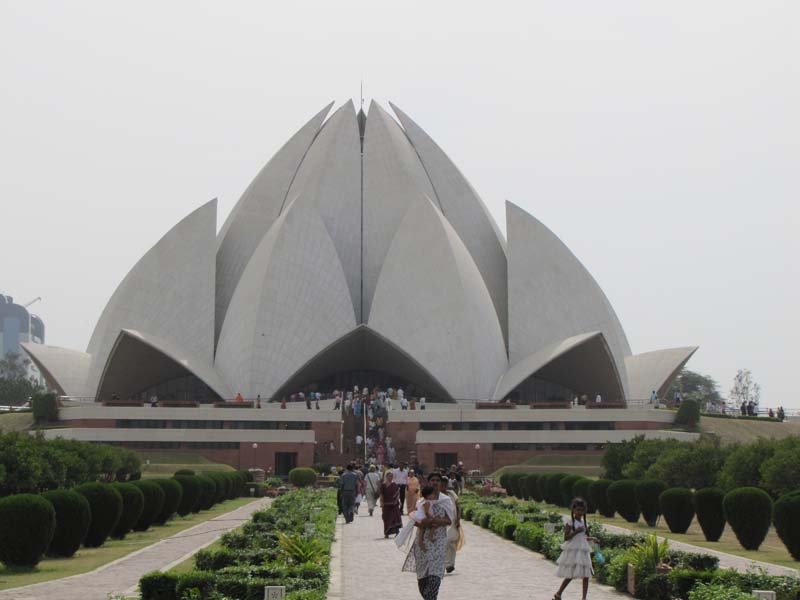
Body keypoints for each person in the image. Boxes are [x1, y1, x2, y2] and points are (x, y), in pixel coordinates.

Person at [402, 471, 455, 600]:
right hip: (422, 543)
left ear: (441, 483)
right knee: (422, 580)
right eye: (433, 480)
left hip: (438, 541)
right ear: (428, 482)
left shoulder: (445, 500)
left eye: (437, 480)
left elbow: (449, 521)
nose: (435, 483)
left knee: (435, 574)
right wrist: (424, 523)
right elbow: (416, 521)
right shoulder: (421, 502)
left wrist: (434, 521)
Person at [552, 498, 597, 600]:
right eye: (578, 510)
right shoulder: (570, 522)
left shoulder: (584, 522)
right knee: (571, 574)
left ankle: (584, 598)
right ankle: (558, 593)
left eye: (582, 510)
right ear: (573, 510)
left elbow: (583, 537)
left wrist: (592, 539)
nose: (580, 512)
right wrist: (576, 531)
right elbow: (566, 537)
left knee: (586, 574)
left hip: (583, 550)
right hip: (574, 550)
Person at [395, 485, 438, 551]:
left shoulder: (422, 500)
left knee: (422, 529)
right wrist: (432, 517)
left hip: (419, 515)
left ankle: (420, 542)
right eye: (432, 494)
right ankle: (430, 536)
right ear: (428, 495)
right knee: (433, 525)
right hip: (423, 517)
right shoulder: (427, 503)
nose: (434, 495)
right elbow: (426, 512)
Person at [439, 472, 462, 573]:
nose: (443, 486)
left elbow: (458, 506)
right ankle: (444, 563)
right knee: (445, 542)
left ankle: (451, 564)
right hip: (442, 522)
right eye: (441, 484)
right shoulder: (437, 496)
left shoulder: (451, 494)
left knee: (452, 543)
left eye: (445, 484)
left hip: (453, 521)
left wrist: (458, 519)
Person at [380, 471, 403, 538]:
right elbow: (381, 494)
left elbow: (398, 494)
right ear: (386, 477)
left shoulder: (395, 485)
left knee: (395, 518)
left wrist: (398, 501)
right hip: (386, 504)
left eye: (391, 476)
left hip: (394, 504)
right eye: (389, 476)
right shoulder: (383, 485)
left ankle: (397, 531)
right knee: (386, 518)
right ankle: (386, 532)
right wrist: (381, 503)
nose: (390, 477)